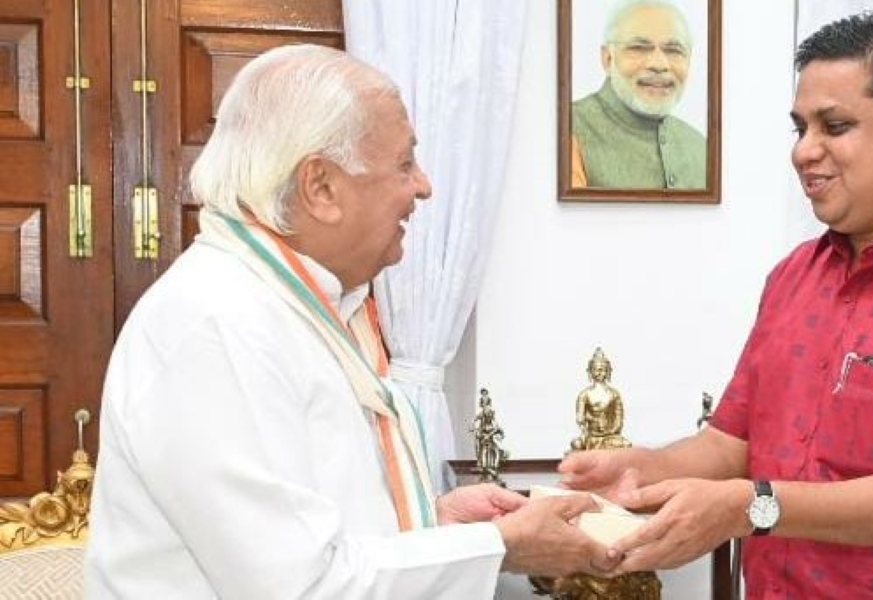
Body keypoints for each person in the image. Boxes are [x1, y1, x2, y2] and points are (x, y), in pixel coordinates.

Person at [561, 11, 873, 597]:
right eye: (800, 127)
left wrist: (752, 507)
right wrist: (636, 471)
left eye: (834, 126)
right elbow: (732, 445)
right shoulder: (794, 279)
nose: (806, 151)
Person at [85, 44, 616, 599]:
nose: (424, 187)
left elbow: (314, 529)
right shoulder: (215, 322)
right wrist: (498, 547)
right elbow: (302, 588)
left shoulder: (303, 306)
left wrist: (438, 525)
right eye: (404, 164)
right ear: (321, 187)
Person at [570, 0, 706, 189]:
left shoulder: (701, 147)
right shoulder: (566, 129)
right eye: (639, 48)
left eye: (674, 50)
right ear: (608, 59)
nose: (659, 64)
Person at [570, 348, 631, 451]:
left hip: (609, 437)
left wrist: (610, 431)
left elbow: (618, 419)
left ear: (608, 371)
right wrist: (587, 426)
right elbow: (580, 419)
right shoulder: (585, 395)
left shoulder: (614, 394)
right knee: (576, 444)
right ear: (590, 371)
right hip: (591, 436)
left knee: (626, 444)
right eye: (596, 370)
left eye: (602, 370)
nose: (599, 373)